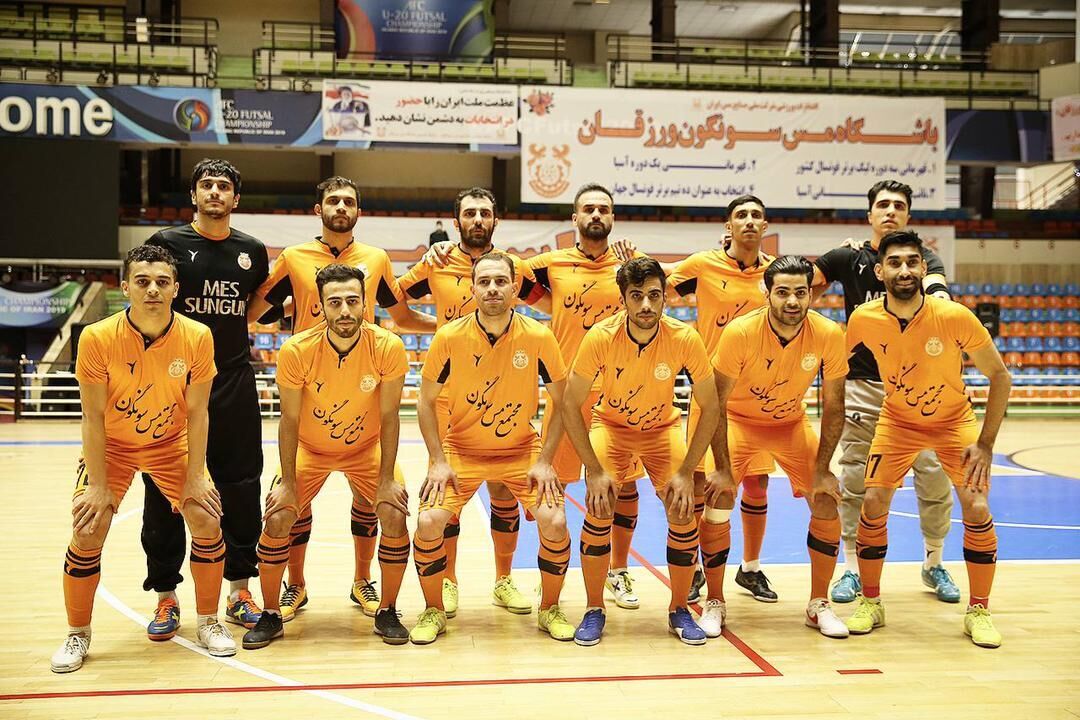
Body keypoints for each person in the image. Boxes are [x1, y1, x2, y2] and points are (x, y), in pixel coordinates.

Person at [246, 176, 435, 621]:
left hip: (362, 387)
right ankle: (295, 585)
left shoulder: (376, 259)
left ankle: (362, 580)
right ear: (319, 209)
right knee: (293, 505)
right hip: (310, 381)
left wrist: (450, 326)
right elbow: (256, 311)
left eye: (348, 201)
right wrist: (294, 309)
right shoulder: (294, 258)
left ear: (358, 211)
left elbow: (402, 316)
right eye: (333, 200)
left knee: (371, 501)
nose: (341, 207)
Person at [52, 245, 232, 673]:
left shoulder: (197, 336)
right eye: (143, 281)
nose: (153, 289)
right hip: (113, 445)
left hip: (170, 443)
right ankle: (78, 633)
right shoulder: (96, 337)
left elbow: (198, 413)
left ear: (175, 289)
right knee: (88, 527)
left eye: (162, 282)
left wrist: (196, 477)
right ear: (126, 286)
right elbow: (92, 416)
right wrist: (98, 486)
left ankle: (209, 621)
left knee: (207, 519)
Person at [843, 231, 1010, 648]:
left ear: (923, 268)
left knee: (976, 506)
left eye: (912, 262)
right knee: (873, 501)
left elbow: (999, 375)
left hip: (953, 422)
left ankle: (979, 610)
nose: (904, 270)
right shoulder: (863, 319)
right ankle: (871, 601)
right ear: (879, 272)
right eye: (894, 262)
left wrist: (986, 444)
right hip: (897, 421)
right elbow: (834, 364)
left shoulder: (953, 316)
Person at [242, 264, 411, 648]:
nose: (345, 310)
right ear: (320, 306)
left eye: (353, 301)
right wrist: (287, 483)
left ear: (365, 303)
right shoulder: (297, 350)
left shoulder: (388, 346)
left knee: (394, 512)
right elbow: (288, 420)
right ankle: (271, 614)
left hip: (365, 449)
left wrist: (386, 479)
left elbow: (389, 417)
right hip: (310, 449)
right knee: (278, 516)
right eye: (335, 302)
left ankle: (387, 610)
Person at [410, 251, 574, 645]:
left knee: (555, 522)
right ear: (472, 289)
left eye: (501, 281)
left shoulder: (539, 337)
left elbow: (563, 400)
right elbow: (425, 402)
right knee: (428, 522)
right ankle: (434, 609)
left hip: (520, 450)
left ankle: (550, 608)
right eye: (484, 282)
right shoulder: (449, 337)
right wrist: (437, 460)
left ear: (515, 288)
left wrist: (546, 460)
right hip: (462, 449)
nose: (492, 289)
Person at [397, 187, 546, 618]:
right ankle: (448, 582)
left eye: (484, 213)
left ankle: (503, 580)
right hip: (450, 399)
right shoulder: (437, 262)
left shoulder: (512, 267)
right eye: (469, 213)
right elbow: (394, 301)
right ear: (456, 220)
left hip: (503, 396)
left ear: (495, 220)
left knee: (503, 491)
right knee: (448, 497)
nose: (477, 219)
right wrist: (437, 326)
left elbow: (553, 304)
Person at [812, 179, 959, 605]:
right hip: (863, 384)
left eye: (898, 205)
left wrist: (938, 297)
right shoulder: (848, 258)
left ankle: (934, 562)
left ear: (908, 215)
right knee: (856, 476)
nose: (890, 210)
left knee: (932, 474)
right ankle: (851, 568)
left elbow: (938, 293)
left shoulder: (924, 260)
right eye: (883, 205)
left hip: (919, 389)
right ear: (870, 215)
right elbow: (798, 282)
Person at [142, 159, 269, 641]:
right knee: (165, 488)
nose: (215, 192)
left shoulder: (251, 250)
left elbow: (254, 305)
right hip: (174, 383)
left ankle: (239, 590)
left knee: (241, 485)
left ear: (236, 198)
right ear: (193, 195)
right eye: (207, 185)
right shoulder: (167, 244)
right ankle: (166, 595)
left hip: (232, 380)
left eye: (224, 186)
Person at [562, 257, 720, 647]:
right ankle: (594, 608)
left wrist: (687, 470)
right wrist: (593, 469)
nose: (646, 305)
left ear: (665, 296)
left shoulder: (684, 338)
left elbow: (711, 406)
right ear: (623, 300)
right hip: (612, 428)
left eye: (654, 295)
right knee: (600, 505)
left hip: (662, 430)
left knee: (683, 511)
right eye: (637, 296)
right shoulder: (600, 337)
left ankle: (679, 608)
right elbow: (570, 403)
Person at [708, 255, 849, 639]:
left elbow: (835, 405)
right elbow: (716, 403)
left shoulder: (828, 333)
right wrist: (722, 468)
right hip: (739, 421)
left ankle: (819, 604)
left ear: (811, 295)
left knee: (825, 500)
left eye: (800, 293)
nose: (792, 301)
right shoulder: (740, 332)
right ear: (766, 293)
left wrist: (823, 469)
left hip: (789, 425)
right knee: (720, 497)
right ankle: (715, 601)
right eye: (783, 292)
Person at [523, 183, 649, 611]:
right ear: (574, 218)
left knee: (623, 487)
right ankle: (550, 575)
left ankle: (618, 570)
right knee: (551, 487)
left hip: (618, 395)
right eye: (588, 208)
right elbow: (506, 271)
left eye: (604, 208)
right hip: (566, 395)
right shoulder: (553, 262)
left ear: (613, 217)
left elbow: (659, 297)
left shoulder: (629, 264)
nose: (596, 214)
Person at [667, 194, 779, 614]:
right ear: (728, 226)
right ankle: (697, 566)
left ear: (765, 226)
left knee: (757, 483)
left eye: (756, 215)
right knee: (703, 483)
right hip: (710, 392)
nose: (749, 221)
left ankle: (750, 567)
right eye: (741, 215)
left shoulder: (776, 274)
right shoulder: (703, 264)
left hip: (759, 396)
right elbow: (659, 281)